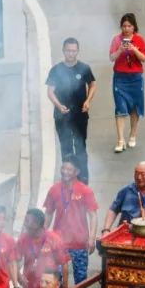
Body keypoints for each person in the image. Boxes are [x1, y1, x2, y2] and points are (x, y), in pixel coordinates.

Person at [43, 156, 98, 288]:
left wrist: (91, 237)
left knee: (80, 279)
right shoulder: (54, 189)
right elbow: (48, 213)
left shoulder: (85, 190)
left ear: (77, 172)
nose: (65, 172)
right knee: (57, 277)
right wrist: (44, 237)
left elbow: (92, 215)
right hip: (58, 243)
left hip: (79, 243)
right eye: (63, 168)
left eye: (69, 169)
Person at [46, 39, 96, 182]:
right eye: (68, 50)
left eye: (74, 51)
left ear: (77, 51)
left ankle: (83, 177)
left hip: (80, 114)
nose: (71, 53)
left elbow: (92, 84)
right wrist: (58, 105)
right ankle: (67, 178)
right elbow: (50, 92)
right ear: (63, 51)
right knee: (66, 148)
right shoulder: (56, 70)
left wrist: (88, 101)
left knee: (80, 146)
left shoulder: (84, 68)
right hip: (62, 116)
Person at [109, 13, 145, 152]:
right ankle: (120, 140)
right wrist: (120, 49)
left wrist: (134, 50)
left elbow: (144, 58)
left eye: (129, 26)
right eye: (124, 26)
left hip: (135, 79)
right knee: (120, 108)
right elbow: (111, 57)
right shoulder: (116, 40)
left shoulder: (139, 40)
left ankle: (132, 135)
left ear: (134, 27)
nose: (126, 28)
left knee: (135, 108)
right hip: (120, 79)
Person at [16, 208, 70, 288]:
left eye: (27, 221)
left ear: (36, 224)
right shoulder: (23, 239)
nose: (24, 223)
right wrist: (19, 276)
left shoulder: (53, 238)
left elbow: (64, 264)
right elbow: (14, 260)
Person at [105, 162, 145, 230]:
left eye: (143, 174)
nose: (139, 177)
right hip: (127, 235)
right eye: (136, 173)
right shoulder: (126, 191)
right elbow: (113, 210)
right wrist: (106, 229)